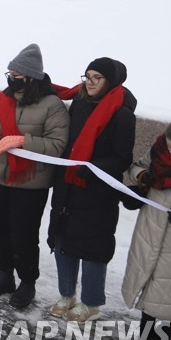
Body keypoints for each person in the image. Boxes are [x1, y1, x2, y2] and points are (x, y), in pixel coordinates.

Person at [0, 43, 69, 309]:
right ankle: (5, 275)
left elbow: (57, 144)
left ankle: (27, 282)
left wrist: (23, 141)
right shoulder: (3, 98)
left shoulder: (53, 105)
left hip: (30, 182)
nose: (11, 78)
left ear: (30, 77)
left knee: (24, 234)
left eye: (16, 74)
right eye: (10, 73)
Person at [46, 58, 136, 324]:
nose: (90, 82)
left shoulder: (122, 114)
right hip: (67, 185)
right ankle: (66, 295)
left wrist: (93, 167)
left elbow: (122, 158)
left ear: (112, 81)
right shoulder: (80, 104)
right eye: (87, 76)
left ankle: (91, 302)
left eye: (97, 77)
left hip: (96, 191)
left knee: (93, 246)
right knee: (63, 241)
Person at [122, 117, 171, 340]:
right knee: (149, 288)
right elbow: (136, 166)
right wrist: (144, 177)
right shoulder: (159, 150)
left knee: (170, 294)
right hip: (151, 229)